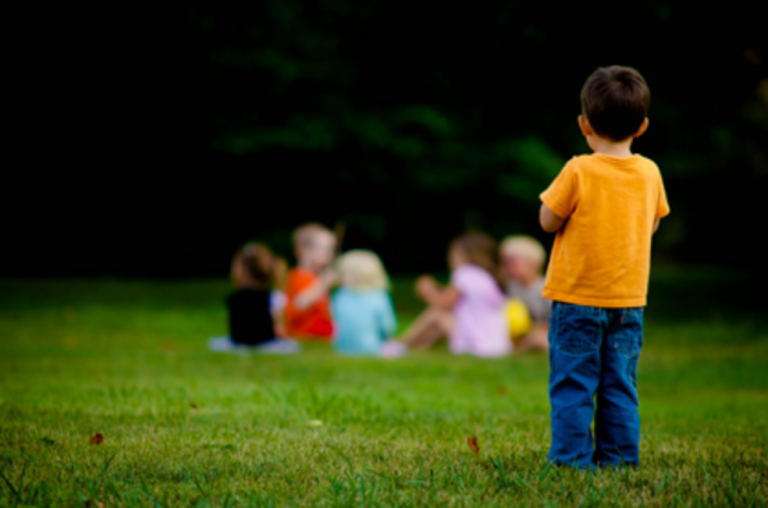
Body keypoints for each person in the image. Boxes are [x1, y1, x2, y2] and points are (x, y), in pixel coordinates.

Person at [539, 66, 670, 468]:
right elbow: (653, 221)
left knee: (574, 383)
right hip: (629, 302)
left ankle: (572, 460)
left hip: (577, 298)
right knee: (619, 384)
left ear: (584, 123)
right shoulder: (649, 172)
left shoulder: (578, 169)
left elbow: (547, 220)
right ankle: (618, 458)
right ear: (643, 126)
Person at [393, 232, 511, 357]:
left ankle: (401, 344)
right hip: (497, 344)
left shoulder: (465, 272)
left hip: (475, 342)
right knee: (441, 320)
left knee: (437, 314)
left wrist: (427, 291)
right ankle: (413, 349)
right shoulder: (487, 277)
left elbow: (445, 303)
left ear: (465, 255)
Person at [207, 243, 299, 353]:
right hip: (266, 344)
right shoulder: (274, 297)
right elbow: (278, 329)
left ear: (242, 272)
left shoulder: (233, 298)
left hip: (238, 343)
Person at [332, 250, 397, 355]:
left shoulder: (340, 295)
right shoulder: (379, 296)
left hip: (342, 348)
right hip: (372, 348)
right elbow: (388, 326)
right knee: (396, 348)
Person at [284, 223, 336, 341]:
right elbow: (299, 304)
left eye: (330, 248)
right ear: (301, 250)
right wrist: (323, 285)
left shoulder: (318, 278)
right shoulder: (297, 276)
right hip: (304, 334)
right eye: (320, 248)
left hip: (323, 336)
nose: (327, 254)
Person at [499, 235, 551, 352]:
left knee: (542, 341)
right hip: (513, 332)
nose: (507, 266)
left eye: (512, 261)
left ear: (532, 262)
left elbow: (552, 320)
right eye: (504, 262)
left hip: (539, 331)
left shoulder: (545, 288)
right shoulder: (508, 286)